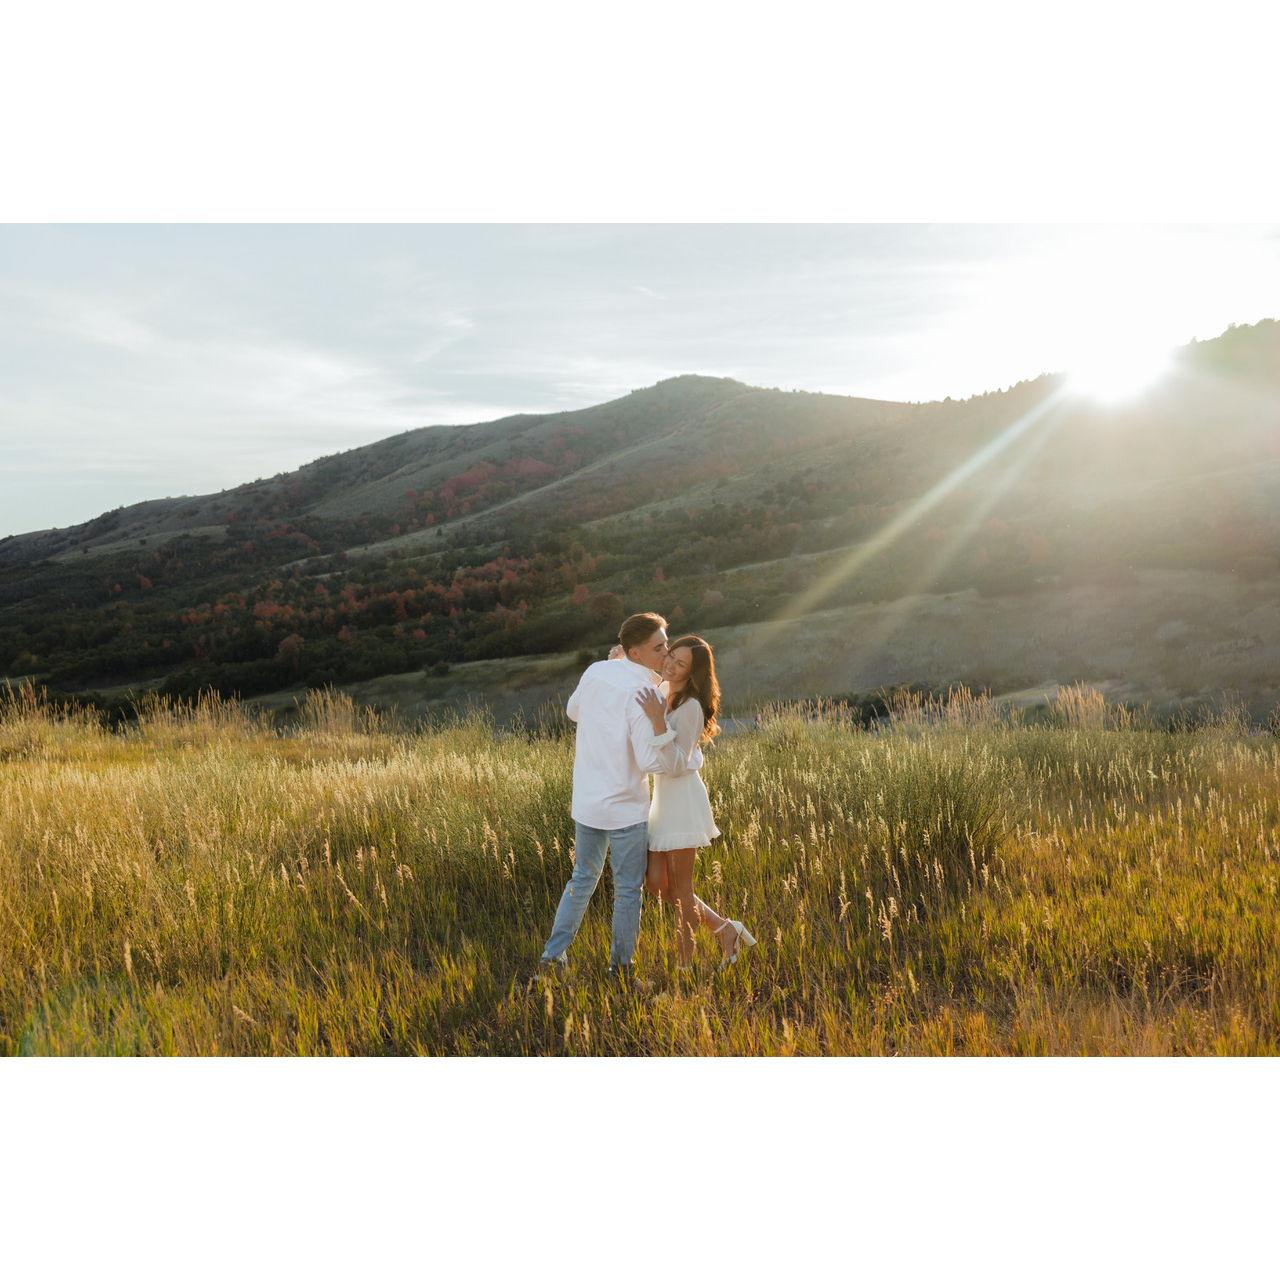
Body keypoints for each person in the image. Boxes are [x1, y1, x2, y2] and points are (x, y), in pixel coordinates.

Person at [536, 612, 702, 982]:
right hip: (626, 806)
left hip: (587, 801)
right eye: (659, 647)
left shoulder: (597, 670)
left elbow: (572, 710)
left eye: (666, 643)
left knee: (582, 880)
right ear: (636, 652)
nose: (667, 652)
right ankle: (621, 971)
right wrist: (674, 742)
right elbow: (648, 761)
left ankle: (552, 959)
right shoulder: (643, 692)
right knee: (628, 890)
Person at [634, 635, 756, 970]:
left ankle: (684, 967)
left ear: (693, 673)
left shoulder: (690, 709)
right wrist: (620, 657)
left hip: (683, 800)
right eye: (671, 656)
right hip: (661, 801)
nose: (671, 664)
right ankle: (724, 927)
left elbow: (675, 765)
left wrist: (659, 721)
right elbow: (639, 674)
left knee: (683, 890)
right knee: (657, 884)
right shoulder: (663, 689)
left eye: (680, 663)